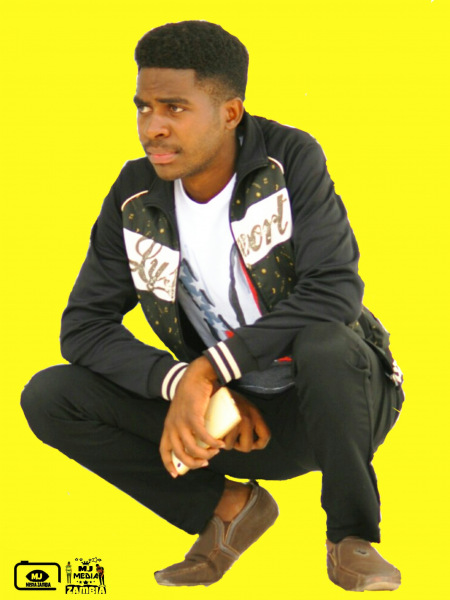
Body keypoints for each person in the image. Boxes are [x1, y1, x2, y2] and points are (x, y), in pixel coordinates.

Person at [20, 20, 404, 591]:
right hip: (234, 421)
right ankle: (228, 510)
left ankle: (351, 537)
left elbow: (334, 292)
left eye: (174, 108)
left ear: (230, 113)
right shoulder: (134, 196)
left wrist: (209, 369)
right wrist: (184, 383)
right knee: (52, 396)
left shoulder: (288, 159)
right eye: (143, 108)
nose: (152, 127)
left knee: (325, 341)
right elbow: (84, 327)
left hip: (337, 403)